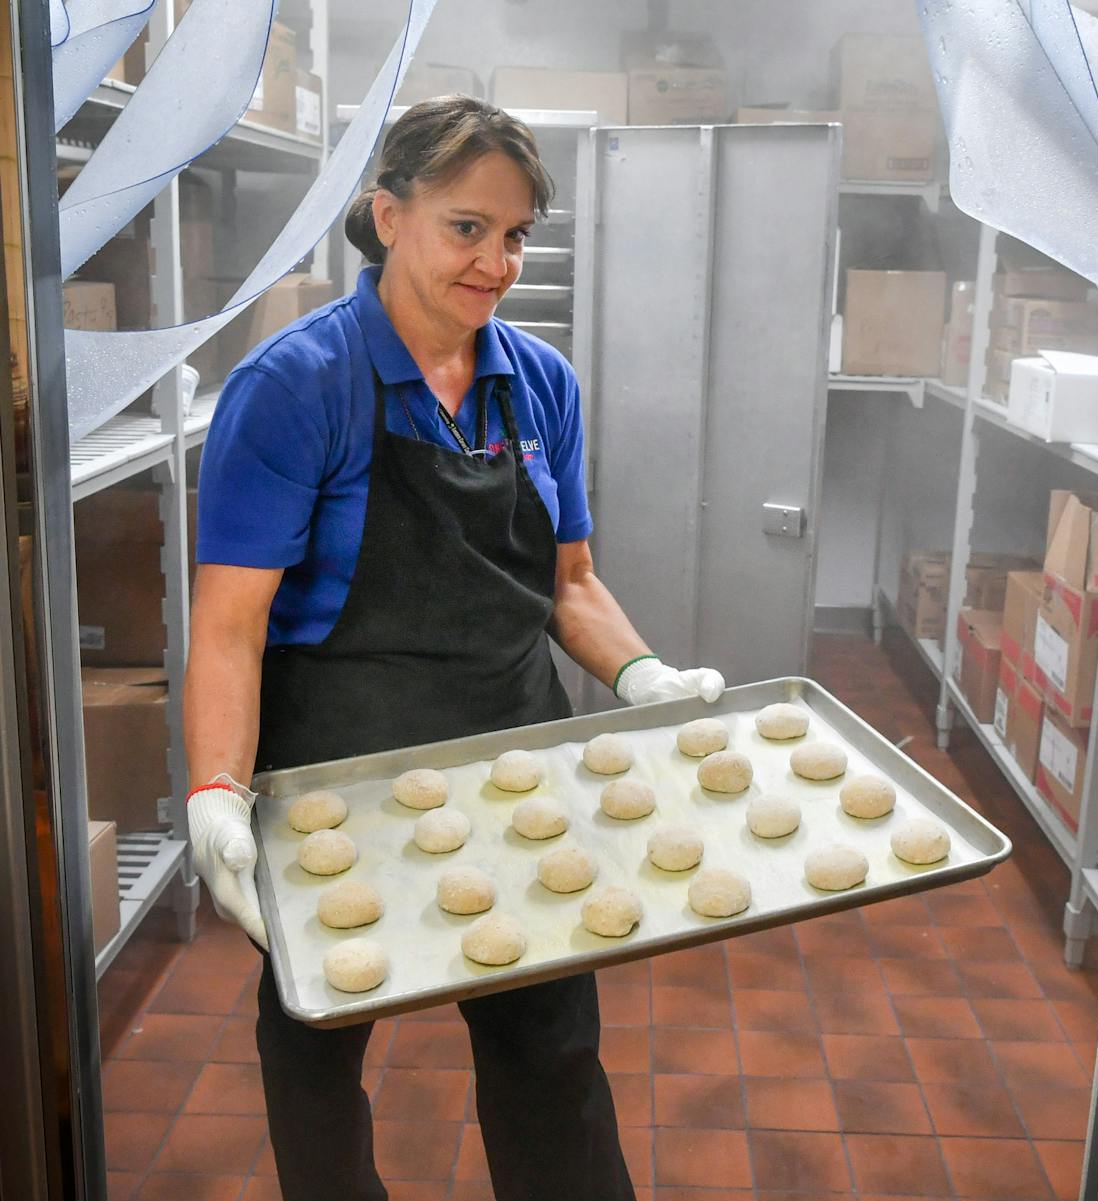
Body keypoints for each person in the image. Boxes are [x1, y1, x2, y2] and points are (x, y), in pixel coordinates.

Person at [181, 96, 724, 1201]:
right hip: (343, 768)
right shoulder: (293, 388)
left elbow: (567, 583)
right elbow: (231, 624)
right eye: (467, 227)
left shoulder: (541, 385)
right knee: (315, 1043)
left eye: (517, 235)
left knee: (550, 1041)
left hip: (513, 753)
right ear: (389, 215)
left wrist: (641, 673)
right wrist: (213, 790)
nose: (497, 262)